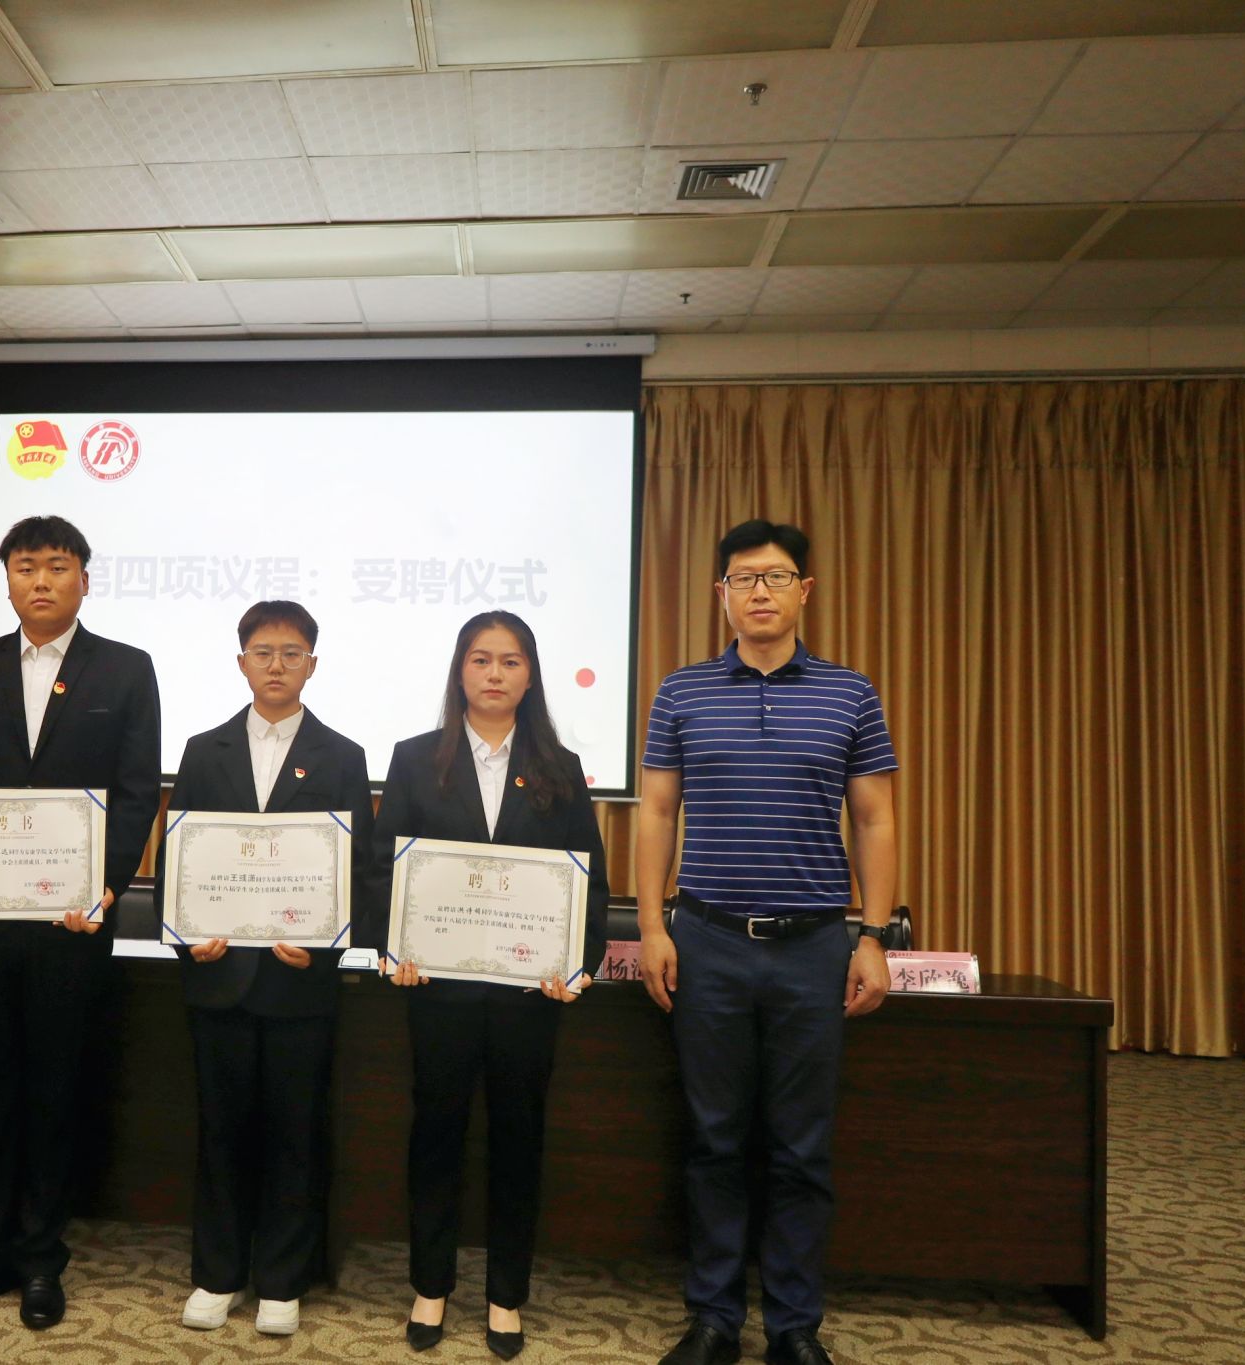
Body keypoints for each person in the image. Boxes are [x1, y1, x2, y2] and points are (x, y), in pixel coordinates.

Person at [635, 520, 899, 1365]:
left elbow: (875, 818)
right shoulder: (680, 691)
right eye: (743, 578)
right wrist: (652, 926)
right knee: (713, 1139)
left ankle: (794, 1326)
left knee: (801, 1145)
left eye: (776, 576)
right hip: (706, 940)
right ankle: (714, 1317)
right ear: (721, 594)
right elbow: (656, 812)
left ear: (804, 591)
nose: (759, 591)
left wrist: (872, 935)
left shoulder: (851, 693)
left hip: (813, 946)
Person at [0, 515, 162, 1331]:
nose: (42, 580)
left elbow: (136, 792)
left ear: (85, 578)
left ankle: (42, 1259)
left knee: (56, 1090)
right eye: (26, 566)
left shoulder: (125, 669)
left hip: (69, 926)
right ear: (8, 580)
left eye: (57, 565)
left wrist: (103, 888)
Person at [376, 610, 609, 1362]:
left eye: (510, 661)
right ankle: (430, 1285)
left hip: (527, 995)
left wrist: (577, 962)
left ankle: (507, 1294)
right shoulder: (415, 759)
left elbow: (588, 879)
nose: (495, 673)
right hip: (438, 989)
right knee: (435, 1135)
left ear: (530, 676)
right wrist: (394, 947)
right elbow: (384, 867)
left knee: (518, 1139)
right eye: (481, 659)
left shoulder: (561, 767)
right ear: (460, 671)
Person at [155, 600, 379, 1338]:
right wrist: (188, 937)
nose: (276, 664)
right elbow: (176, 863)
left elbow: (359, 871)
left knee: (294, 1132)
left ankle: (283, 1280)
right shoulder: (203, 750)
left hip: (299, 982)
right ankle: (216, 1274)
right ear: (241, 662)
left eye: (291, 652)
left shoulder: (342, 756)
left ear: (313, 663)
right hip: (218, 977)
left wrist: (325, 944)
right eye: (262, 651)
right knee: (220, 1131)